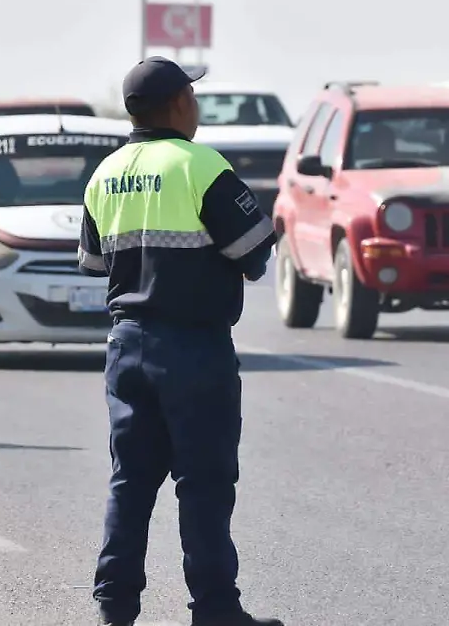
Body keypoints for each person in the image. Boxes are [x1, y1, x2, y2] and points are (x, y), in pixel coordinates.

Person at [77, 57, 281, 626]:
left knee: (130, 482)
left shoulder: (105, 174)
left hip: (126, 347)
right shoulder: (200, 165)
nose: (197, 105)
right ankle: (216, 611)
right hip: (193, 349)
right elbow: (254, 252)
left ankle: (114, 609)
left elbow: (95, 262)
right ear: (176, 105)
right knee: (204, 485)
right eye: (192, 95)